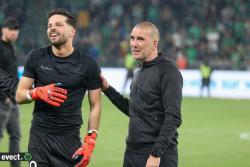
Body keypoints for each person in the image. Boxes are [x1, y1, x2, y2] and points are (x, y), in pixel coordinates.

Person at [15, 8, 102, 167]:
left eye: (58, 25)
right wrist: (36, 92)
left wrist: (90, 141)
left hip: (69, 141)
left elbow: (95, 104)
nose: (52, 28)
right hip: (39, 139)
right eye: (49, 26)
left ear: (72, 31)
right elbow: (19, 95)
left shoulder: (88, 64)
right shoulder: (36, 57)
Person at [101, 21, 183, 167]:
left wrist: (156, 154)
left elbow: (173, 117)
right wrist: (107, 89)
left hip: (156, 155)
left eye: (140, 39)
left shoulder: (168, 71)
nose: (134, 44)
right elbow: (135, 110)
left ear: (154, 43)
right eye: (132, 38)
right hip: (132, 153)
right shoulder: (139, 72)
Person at [0, 17, 21, 167]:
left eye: (16, 29)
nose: (14, 32)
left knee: (16, 136)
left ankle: (15, 165)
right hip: (2, 100)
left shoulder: (12, 47)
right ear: (3, 29)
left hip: (12, 100)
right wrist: (4, 97)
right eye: (11, 29)